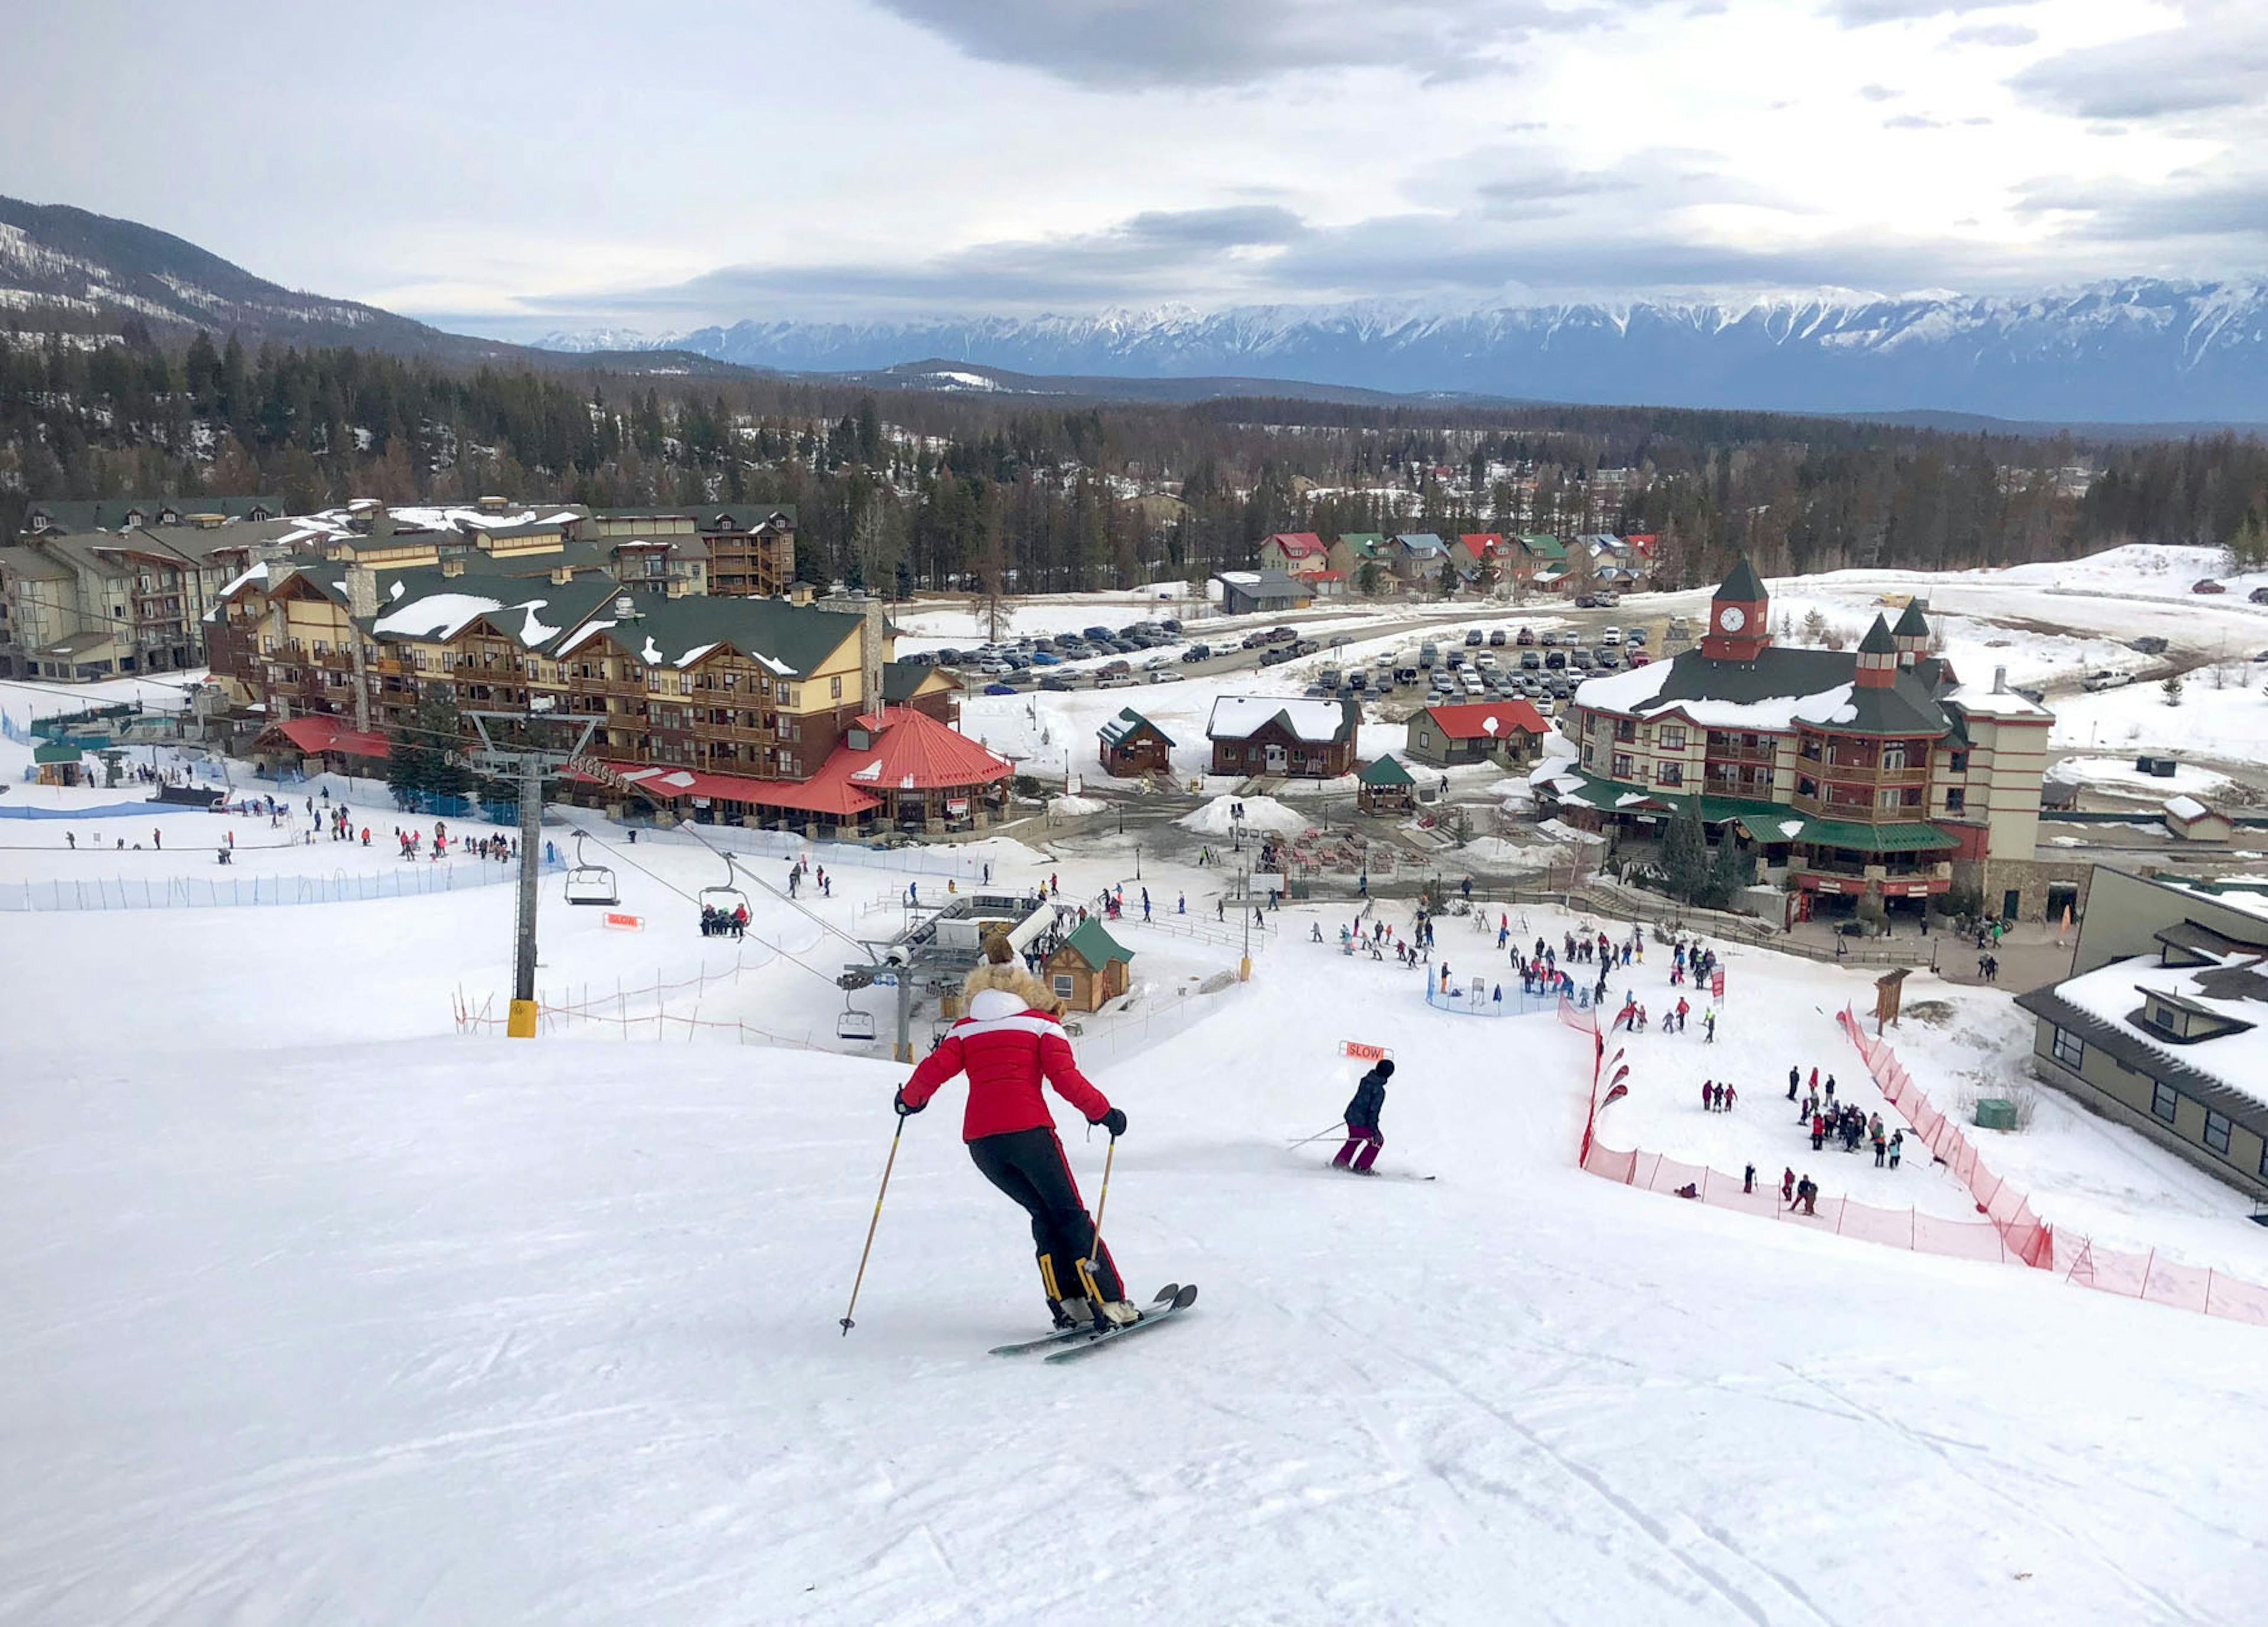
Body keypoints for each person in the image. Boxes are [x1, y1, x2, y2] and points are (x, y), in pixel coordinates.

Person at [895, 934, 1139, 1332]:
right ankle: (1110, 1302)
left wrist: (909, 1101)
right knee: (1071, 1216)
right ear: (1026, 984)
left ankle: (1069, 1303)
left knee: (1043, 1214)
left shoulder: (963, 1031)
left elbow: (930, 1072)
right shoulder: (1041, 1026)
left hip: (983, 1145)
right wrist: (1104, 1114)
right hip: (1031, 1136)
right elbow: (1065, 1079)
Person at [1334, 1058, 1393, 1176]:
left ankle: (1341, 1162)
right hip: (1362, 1121)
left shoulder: (1366, 1080)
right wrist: (1374, 1131)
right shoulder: (1379, 1090)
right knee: (1377, 1141)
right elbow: (1373, 1112)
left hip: (1352, 1116)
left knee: (1355, 1138)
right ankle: (1362, 1167)